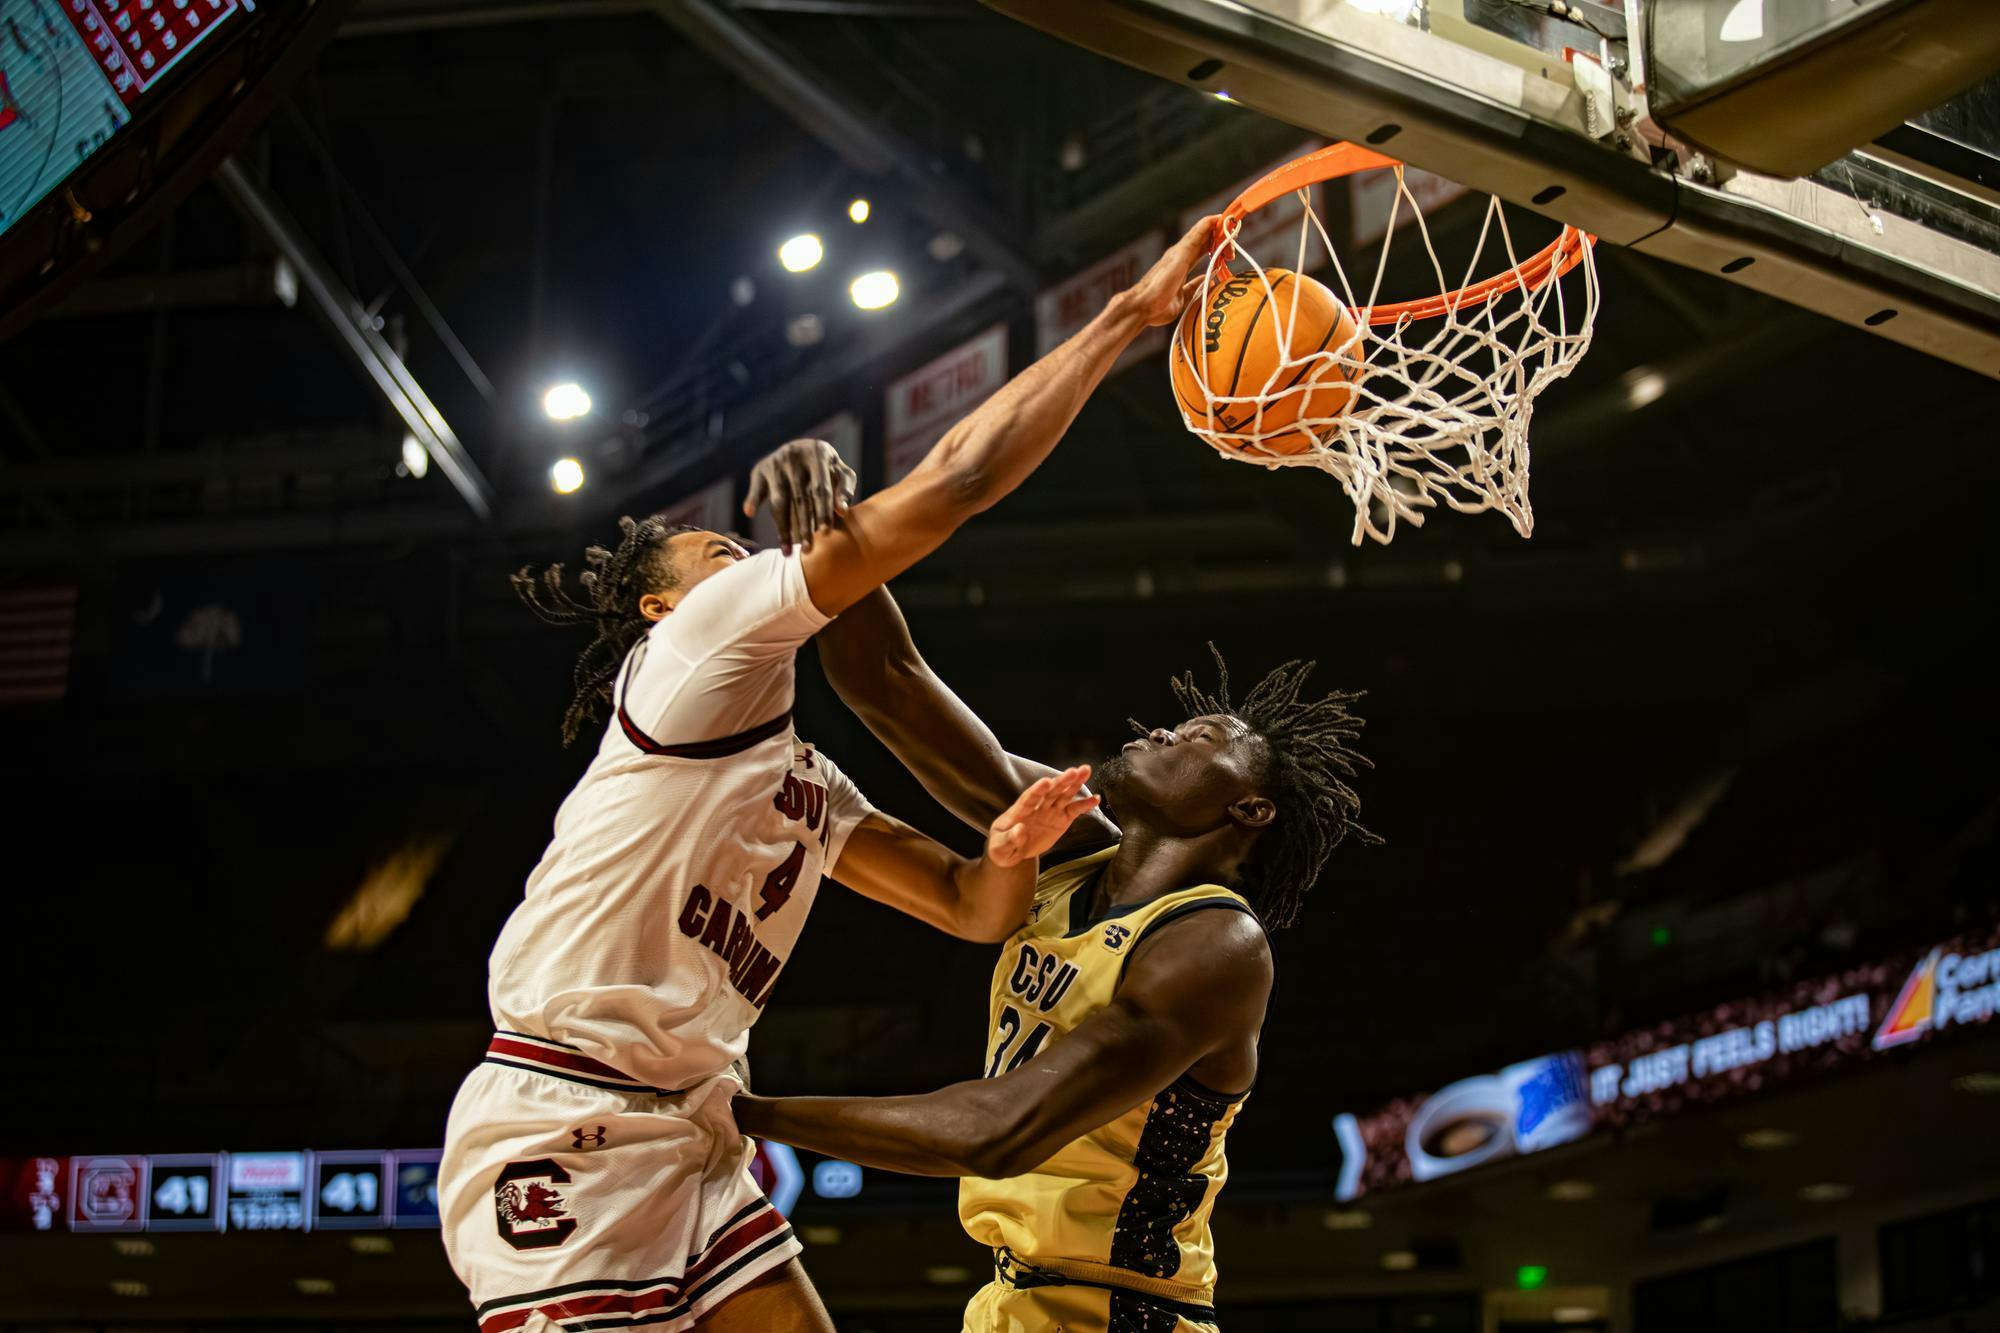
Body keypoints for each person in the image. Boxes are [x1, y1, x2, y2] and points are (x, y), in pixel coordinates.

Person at [438, 218, 1220, 1333]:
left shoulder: (795, 779)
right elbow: (954, 483)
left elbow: (965, 908)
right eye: (716, 552)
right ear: (665, 606)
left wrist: (1003, 853)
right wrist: (1122, 318)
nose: (740, 559)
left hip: (691, 1122)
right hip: (563, 1114)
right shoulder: (690, 650)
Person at [733, 456, 1380, 1333]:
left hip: (1125, 1314)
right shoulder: (1068, 844)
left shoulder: (1215, 947)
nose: (1163, 727)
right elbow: (888, 682)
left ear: (1249, 808)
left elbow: (995, 1129)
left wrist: (740, 1111)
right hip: (1014, 1300)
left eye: (1201, 738)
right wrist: (827, 527)